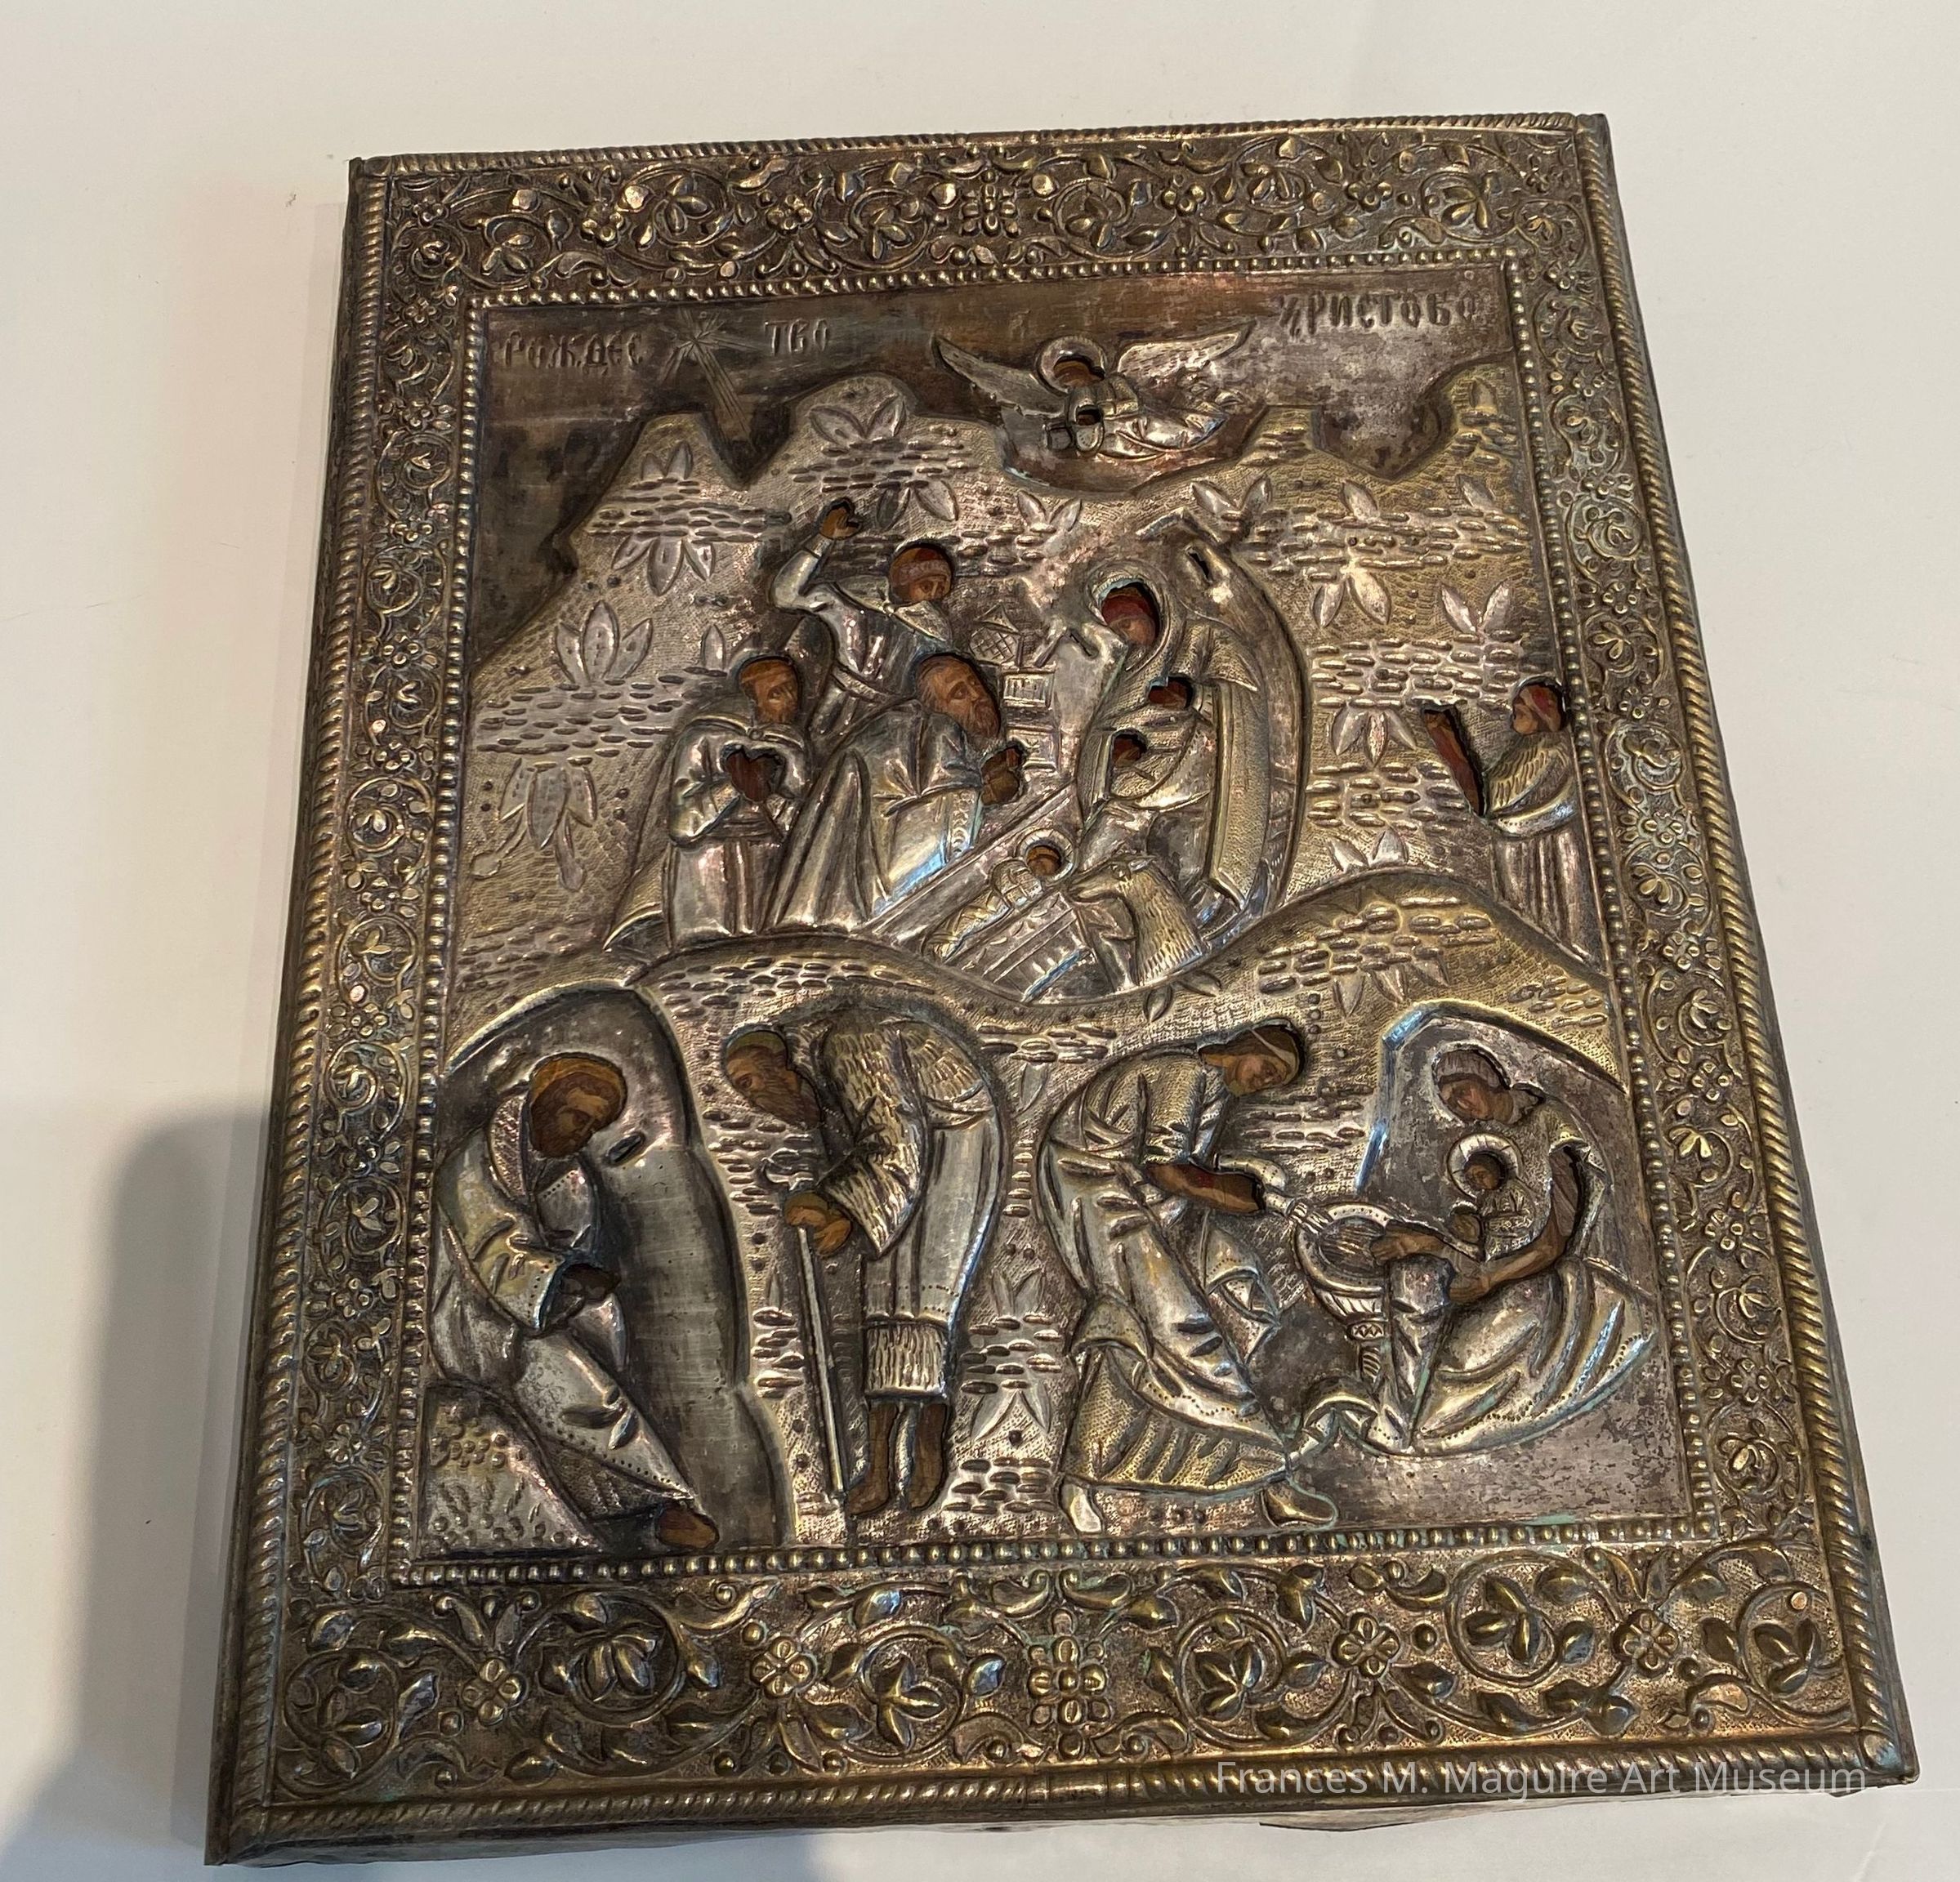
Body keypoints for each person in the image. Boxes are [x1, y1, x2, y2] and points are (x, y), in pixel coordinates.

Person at [1038, 1024, 1330, 1533]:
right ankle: (1269, 1478)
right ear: (1244, 1047)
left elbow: (1188, 1168)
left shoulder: (1210, 1088)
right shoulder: (1183, 1072)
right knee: (1181, 1327)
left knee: (1223, 1278)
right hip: (1095, 1192)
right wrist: (1264, 1199)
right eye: (1268, 1069)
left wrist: (1262, 1193)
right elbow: (1168, 1171)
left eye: (1275, 1081)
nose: (1264, 1082)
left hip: (1142, 1199)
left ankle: (1084, 1476)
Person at [430, 1054, 718, 1550]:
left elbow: (572, 1243)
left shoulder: (569, 1174)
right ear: (542, 1105)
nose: (582, 1135)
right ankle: (661, 1503)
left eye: (592, 1127)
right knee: (581, 1391)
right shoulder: (476, 1162)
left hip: (535, 1311)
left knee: (595, 1343)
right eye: (576, 1117)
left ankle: (633, 1515)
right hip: (468, 1313)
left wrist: (581, 1286)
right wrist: (564, 1278)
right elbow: (493, 1249)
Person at [724, 1013, 1002, 1519]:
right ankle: (882, 1465)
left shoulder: (850, 1042)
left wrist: (840, 1208)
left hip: (949, 1150)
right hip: (920, 1157)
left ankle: (924, 1447)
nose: (754, 1101)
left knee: (919, 1301)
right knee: (889, 1305)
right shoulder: (830, 1065)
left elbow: (896, 1140)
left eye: (750, 1084)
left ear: (781, 1063)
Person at [767, 652, 1025, 933]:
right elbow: (910, 846)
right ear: (934, 706)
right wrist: (984, 796)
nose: (977, 696)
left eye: (975, 683)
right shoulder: (931, 730)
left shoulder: (927, 732)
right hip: (872, 900)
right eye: (959, 693)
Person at [609, 654, 809, 954]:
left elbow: (802, 820)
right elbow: (683, 826)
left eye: (793, 691)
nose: (790, 702)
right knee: (707, 956)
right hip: (709, 868)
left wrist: (773, 792)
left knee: (766, 956)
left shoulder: (791, 743)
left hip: (767, 863)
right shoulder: (703, 738)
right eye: (777, 693)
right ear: (750, 699)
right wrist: (733, 786)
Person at [771, 498, 955, 750]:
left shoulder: (934, 630)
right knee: (816, 750)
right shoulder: (852, 596)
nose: (932, 594)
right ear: (902, 577)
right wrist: (823, 539)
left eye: (940, 588)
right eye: (926, 584)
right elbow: (785, 595)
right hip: (836, 698)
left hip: (890, 714)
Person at [1482, 680, 1601, 961]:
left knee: (1549, 905)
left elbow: (1502, 795)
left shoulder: (1546, 750)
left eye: (1521, 713)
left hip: (1541, 841)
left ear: (1539, 716)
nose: (1514, 719)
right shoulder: (1530, 748)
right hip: (1530, 839)